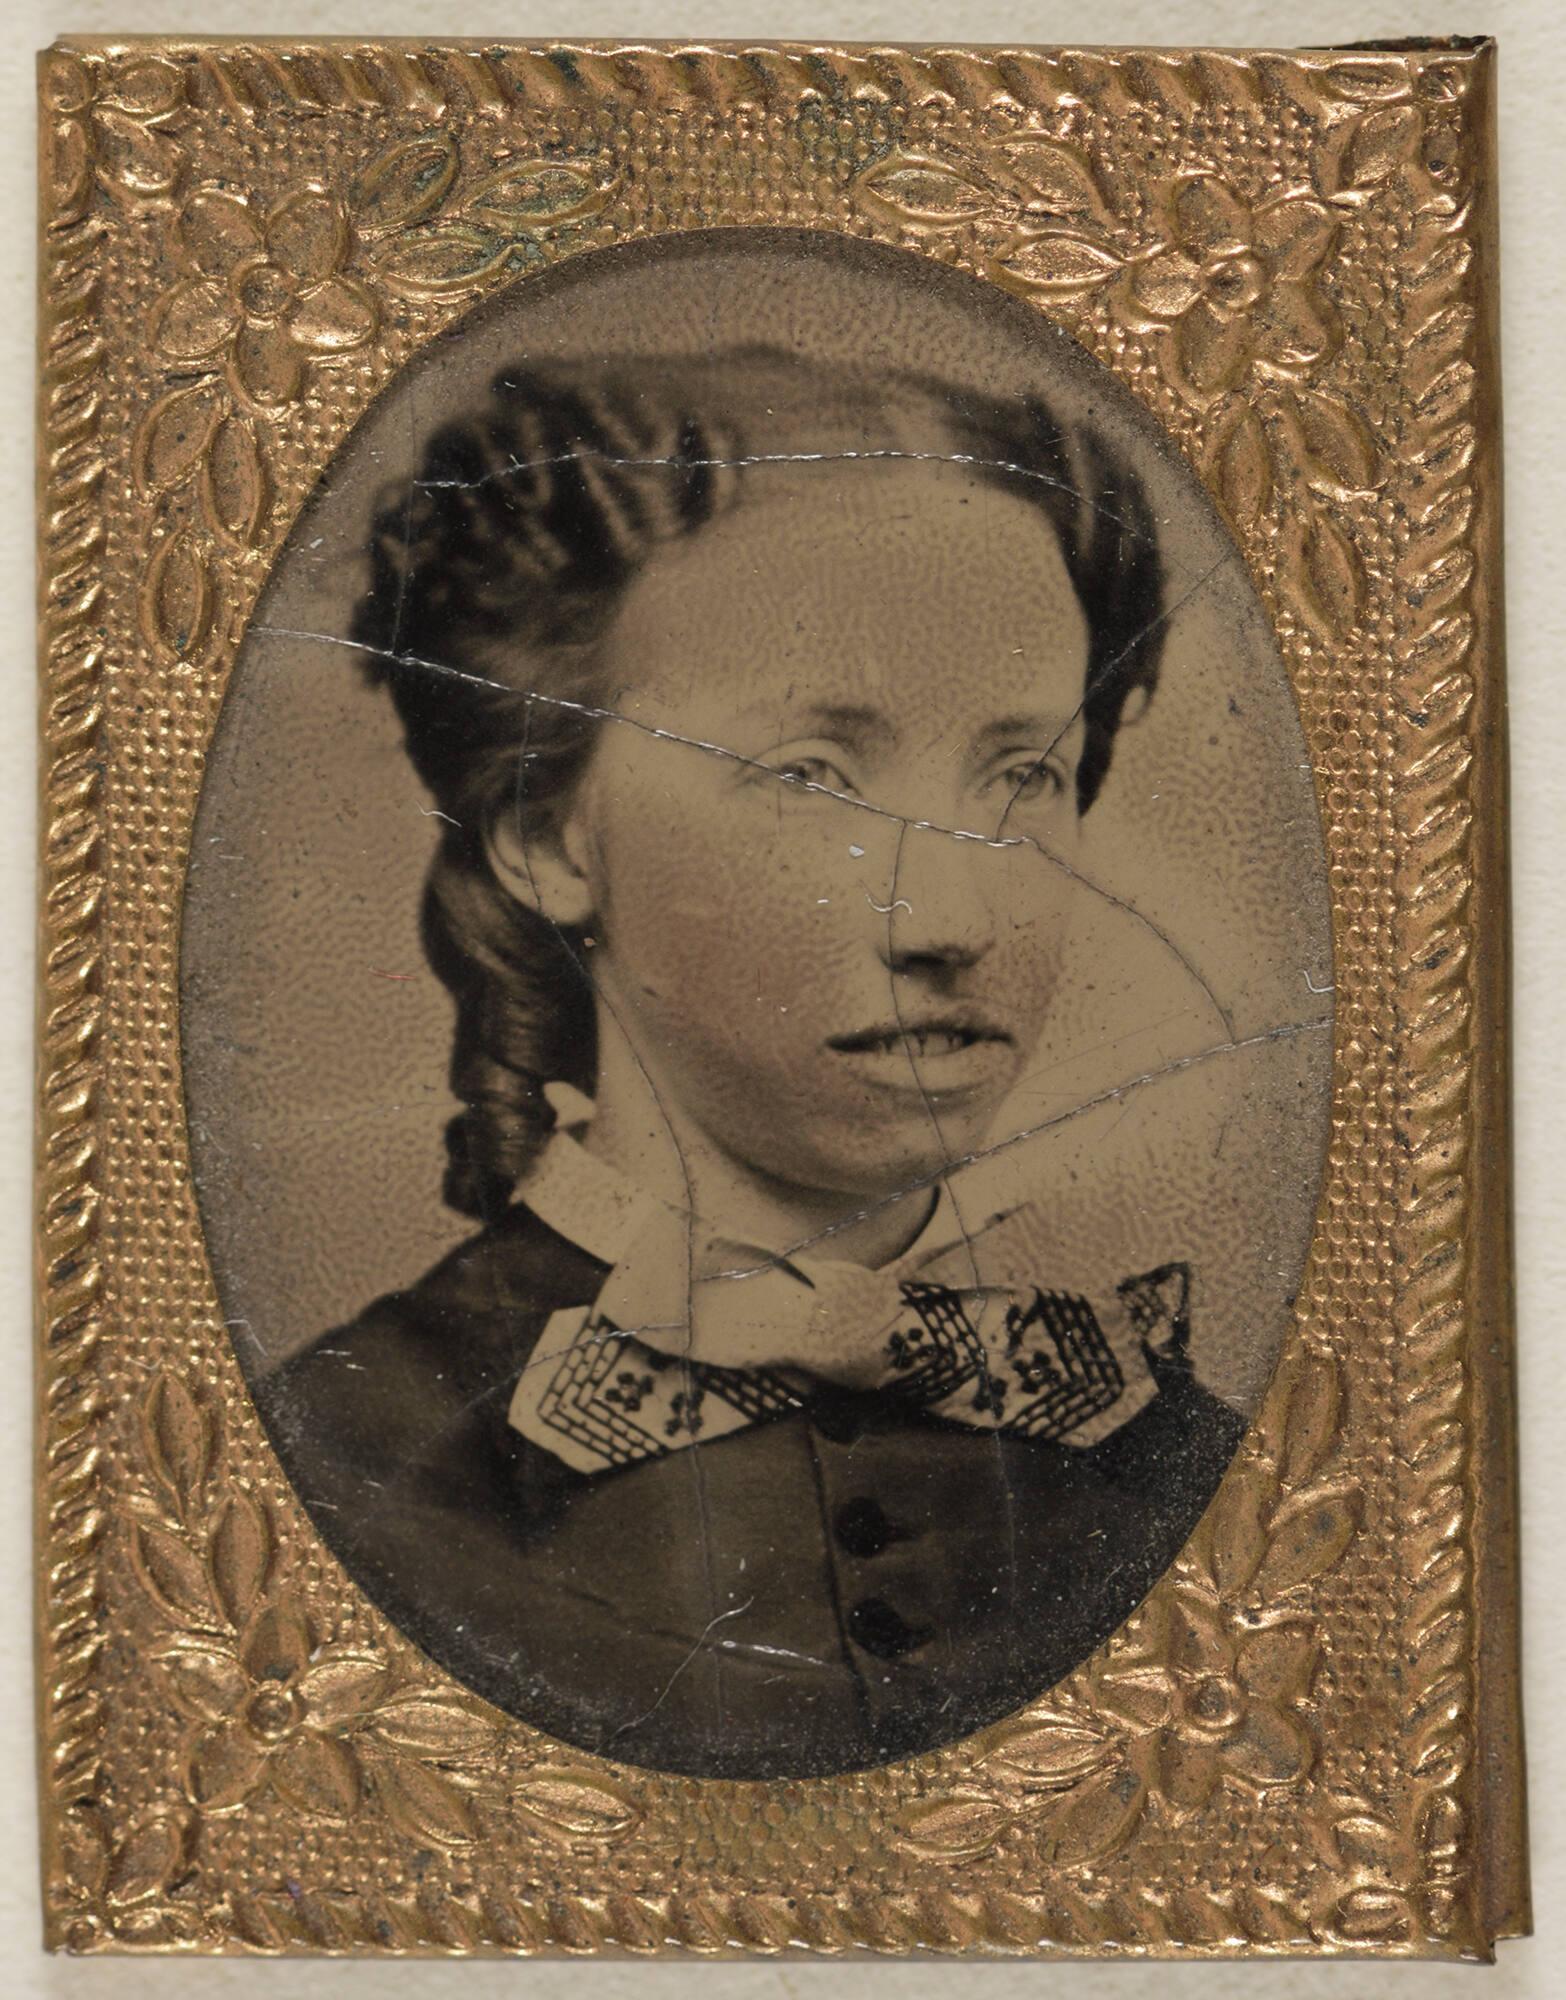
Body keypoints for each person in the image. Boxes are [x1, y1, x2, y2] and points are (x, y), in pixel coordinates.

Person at [260, 346, 1245, 1779]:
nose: (953, 921)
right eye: (809, 781)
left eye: (1020, 776)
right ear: (545, 834)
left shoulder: (1173, 1457)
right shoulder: (351, 1460)